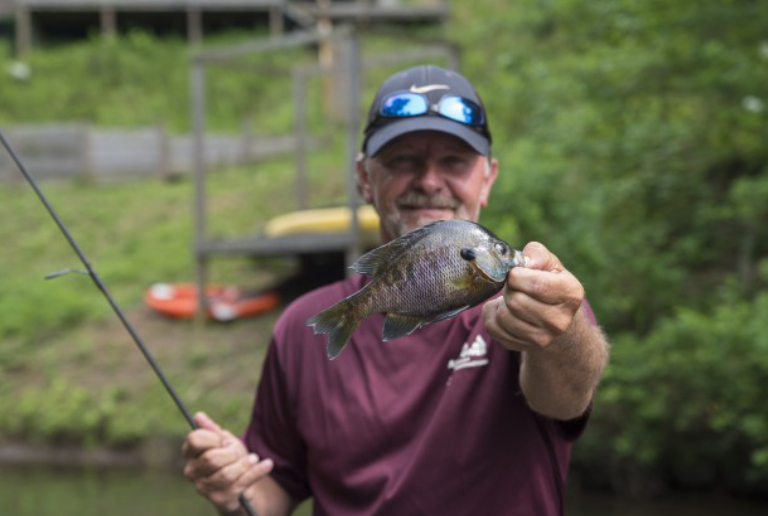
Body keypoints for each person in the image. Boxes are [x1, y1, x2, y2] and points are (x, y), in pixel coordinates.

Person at [182, 64, 609, 516]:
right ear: (365, 177)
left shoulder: (539, 303)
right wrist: (234, 486)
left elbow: (565, 397)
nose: (428, 181)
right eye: (403, 159)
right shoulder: (299, 328)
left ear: (488, 177)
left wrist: (560, 337)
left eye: (454, 161)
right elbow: (274, 492)